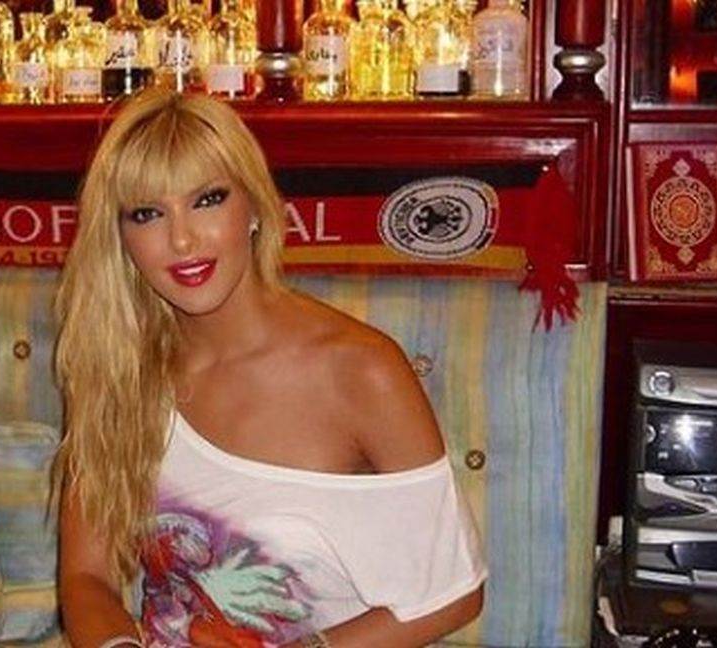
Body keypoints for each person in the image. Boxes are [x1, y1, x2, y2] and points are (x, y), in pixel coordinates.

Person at [54, 88, 487, 648]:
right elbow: (86, 576)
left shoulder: (361, 370)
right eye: (148, 214)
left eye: (208, 200)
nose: (181, 239)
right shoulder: (118, 368)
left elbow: (453, 594)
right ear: (121, 239)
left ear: (255, 207)